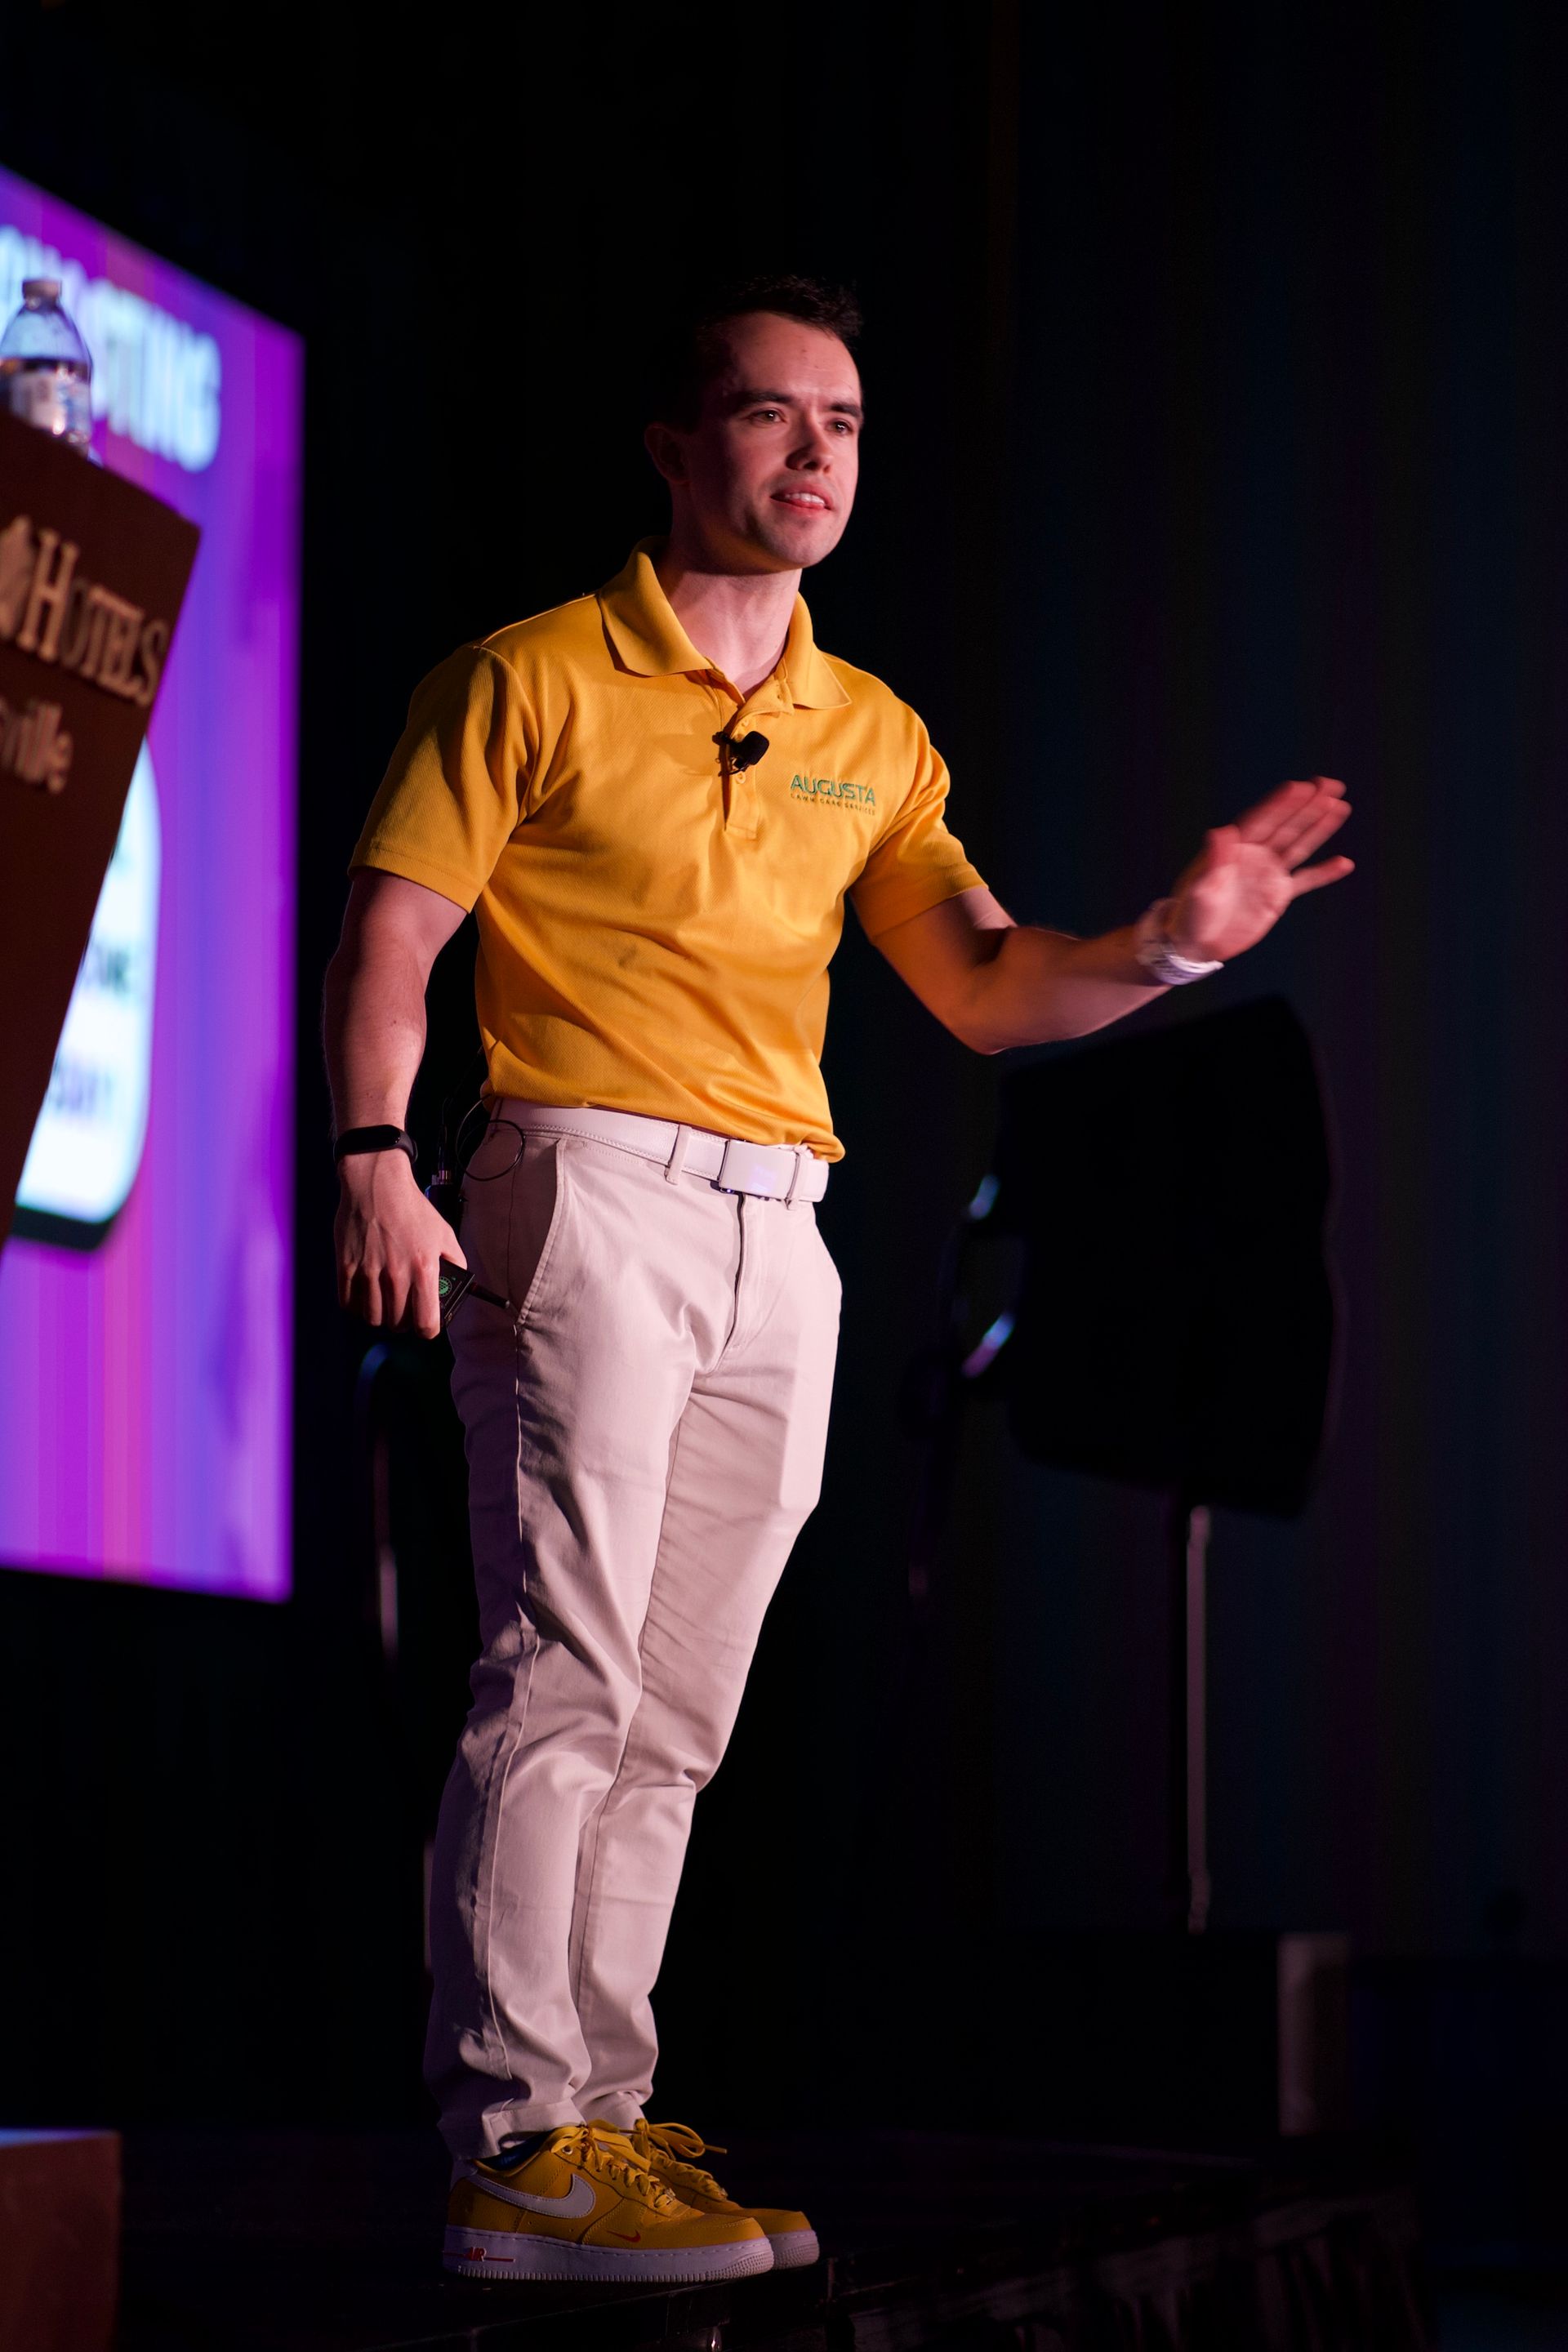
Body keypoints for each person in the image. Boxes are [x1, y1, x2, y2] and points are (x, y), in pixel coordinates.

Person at [323, 274, 1353, 2285]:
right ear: (675, 445)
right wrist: (374, 1158)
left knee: (681, 1708)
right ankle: (513, 2131)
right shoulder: (525, 676)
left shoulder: (865, 731)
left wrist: (1171, 938)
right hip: (577, 1178)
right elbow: (391, 943)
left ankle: (599, 2127)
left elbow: (982, 984)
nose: (816, 456)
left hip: (774, 1222)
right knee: (567, 1669)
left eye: (850, 425)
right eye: (775, 416)